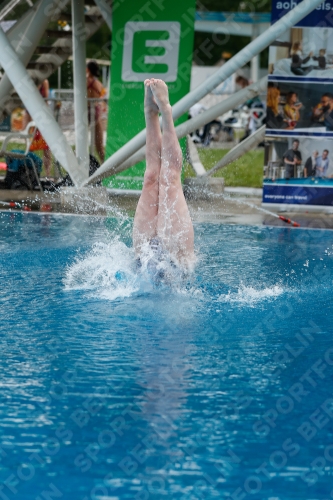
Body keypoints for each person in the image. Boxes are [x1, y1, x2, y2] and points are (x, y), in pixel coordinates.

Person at [133, 78, 195, 275]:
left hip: (177, 266)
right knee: (151, 176)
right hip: (144, 268)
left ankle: (165, 112)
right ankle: (151, 113)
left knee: (168, 177)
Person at [26, 79, 52, 177]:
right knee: (30, 145)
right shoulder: (31, 80)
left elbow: (45, 99)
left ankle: (48, 173)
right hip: (32, 113)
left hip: (41, 115)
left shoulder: (44, 82)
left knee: (46, 147)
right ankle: (29, 171)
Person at [86, 60, 105, 163]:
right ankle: (106, 166)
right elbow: (101, 98)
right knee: (99, 145)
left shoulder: (84, 81)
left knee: (81, 142)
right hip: (96, 110)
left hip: (86, 110)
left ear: (87, 69)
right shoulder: (98, 83)